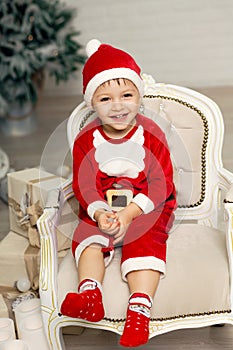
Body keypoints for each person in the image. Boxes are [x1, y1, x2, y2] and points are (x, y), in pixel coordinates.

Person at [61, 39, 176, 347]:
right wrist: (100, 212)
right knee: (86, 237)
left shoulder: (151, 134)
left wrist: (128, 214)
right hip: (104, 208)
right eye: (105, 98)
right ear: (92, 104)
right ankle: (90, 295)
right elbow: (84, 185)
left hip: (146, 207)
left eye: (127, 95)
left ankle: (139, 312)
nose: (118, 105)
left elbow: (161, 183)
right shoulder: (87, 140)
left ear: (139, 96)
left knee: (145, 239)